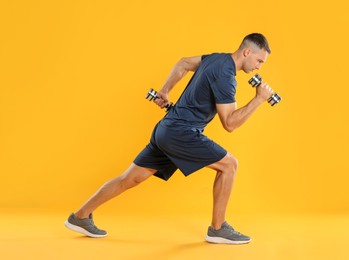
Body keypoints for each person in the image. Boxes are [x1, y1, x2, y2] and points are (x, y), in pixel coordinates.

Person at [65, 33, 274, 244]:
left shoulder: (215, 58)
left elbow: (183, 63)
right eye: (259, 61)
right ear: (247, 52)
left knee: (130, 178)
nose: (259, 67)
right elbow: (230, 123)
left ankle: (80, 216)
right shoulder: (226, 76)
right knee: (229, 165)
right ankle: (218, 228)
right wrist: (258, 99)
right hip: (181, 133)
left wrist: (165, 90)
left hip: (166, 129)